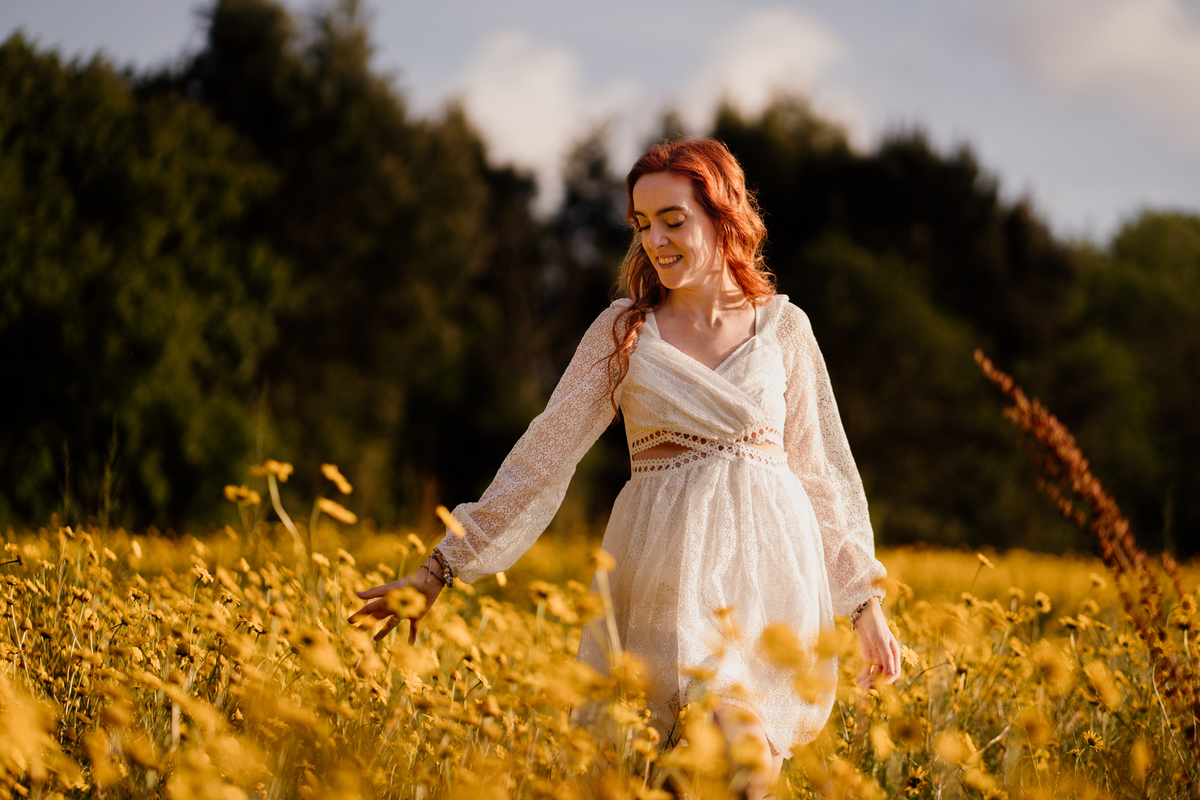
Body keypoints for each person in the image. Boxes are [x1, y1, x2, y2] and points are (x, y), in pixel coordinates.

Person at [351, 138, 901, 799]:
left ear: (722, 216)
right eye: (642, 225)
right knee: (659, 776)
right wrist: (442, 566)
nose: (655, 241)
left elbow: (820, 475)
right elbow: (543, 454)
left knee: (745, 771)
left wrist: (863, 604)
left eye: (673, 220)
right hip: (663, 580)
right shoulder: (624, 331)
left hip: (766, 588)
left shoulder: (784, 329)